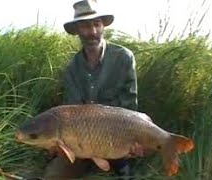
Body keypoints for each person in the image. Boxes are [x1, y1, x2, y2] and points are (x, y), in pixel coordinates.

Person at [44, 0, 138, 179]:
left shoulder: (123, 57)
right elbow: (71, 113)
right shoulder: (72, 68)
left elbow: (129, 107)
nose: (93, 32)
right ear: (77, 30)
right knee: (54, 175)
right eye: (86, 26)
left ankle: (122, 164)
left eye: (97, 24)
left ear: (103, 26)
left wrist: (130, 141)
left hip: (117, 136)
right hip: (81, 143)